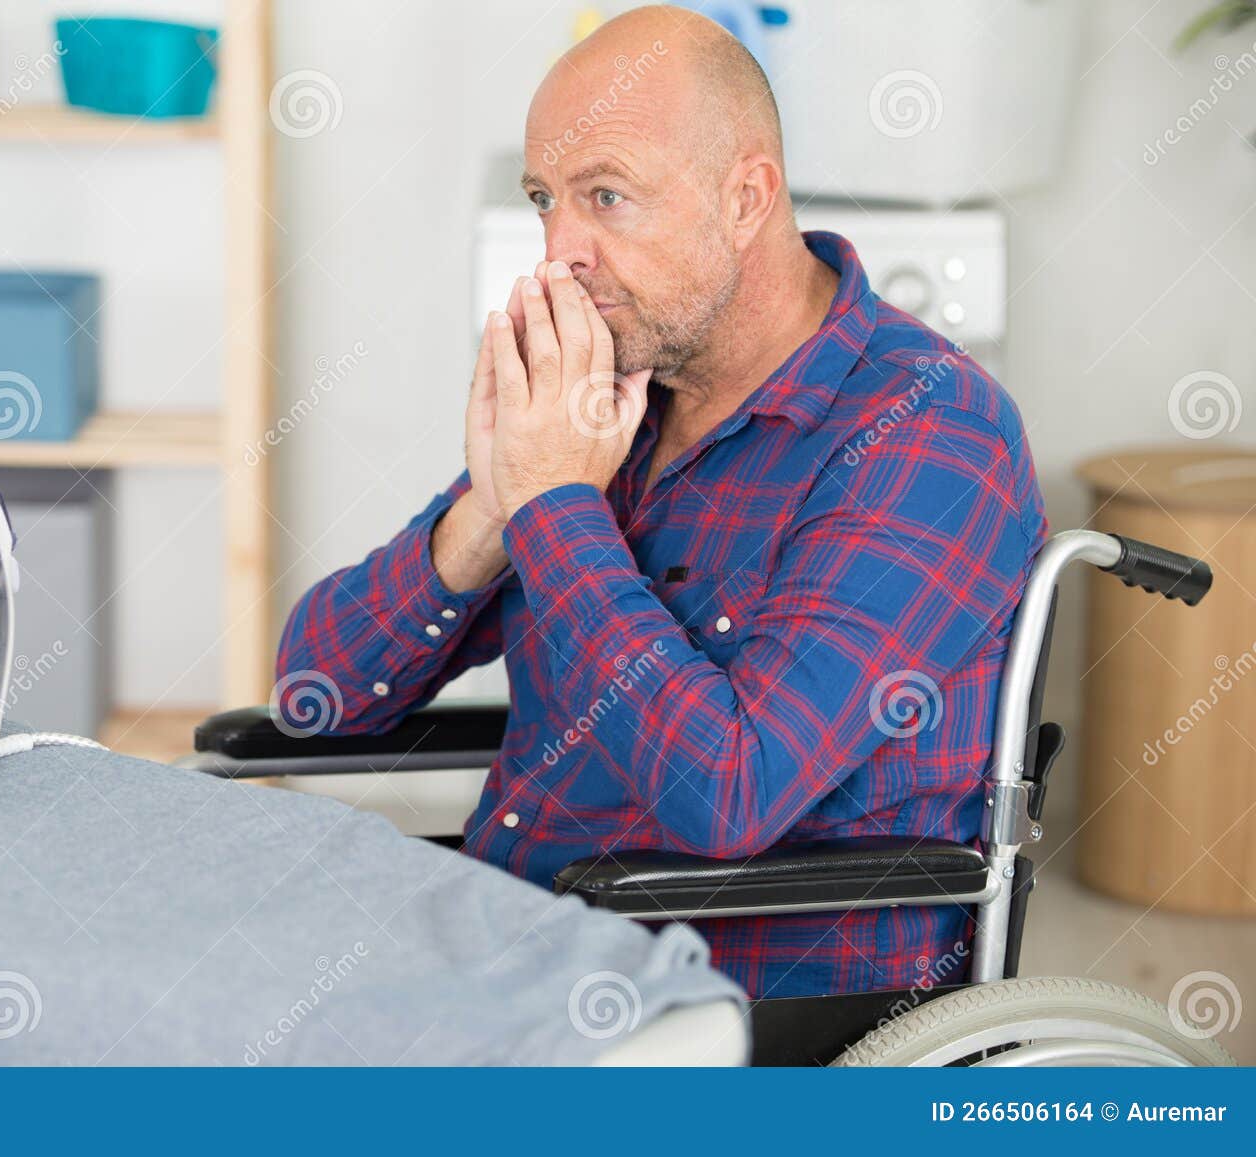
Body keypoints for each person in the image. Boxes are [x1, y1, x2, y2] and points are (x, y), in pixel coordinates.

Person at [276, 4, 1046, 998]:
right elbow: (312, 694)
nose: (559, 252)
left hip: (721, 1013)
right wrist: (490, 513)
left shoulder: (931, 434)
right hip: (511, 948)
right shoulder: (609, 397)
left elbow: (729, 794)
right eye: (545, 199)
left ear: (746, 197)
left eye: (606, 194)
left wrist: (555, 499)